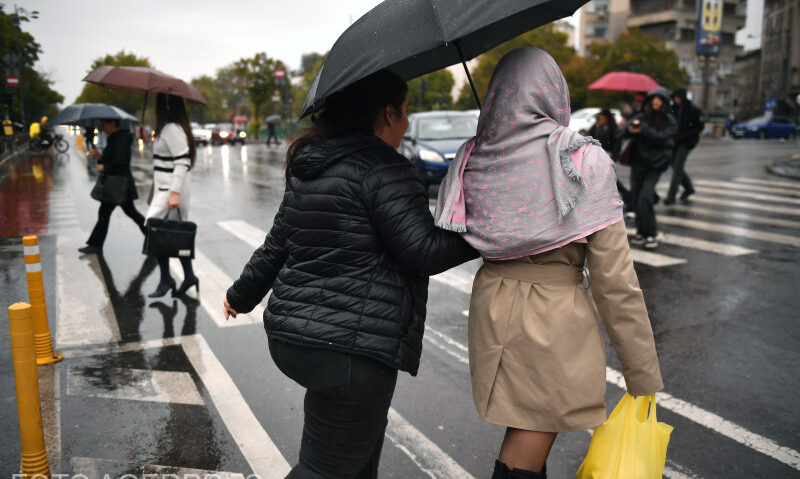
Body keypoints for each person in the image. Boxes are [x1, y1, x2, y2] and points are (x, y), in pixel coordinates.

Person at [223, 70, 477, 479]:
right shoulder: (386, 169)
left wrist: (239, 296)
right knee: (324, 469)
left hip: (297, 338)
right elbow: (422, 252)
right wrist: (485, 230)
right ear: (388, 112)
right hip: (350, 351)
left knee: (356, 456)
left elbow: (277, 245)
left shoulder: (315, 164)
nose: (407, 123)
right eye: (406, 111)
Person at [434, 47, 663, 478]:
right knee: (527, 444)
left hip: (492, 310)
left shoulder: (474, 158)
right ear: (552, 93)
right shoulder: (578, 159)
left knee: (523, 428)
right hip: (551, 318)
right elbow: (615, 281)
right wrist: (642, 374)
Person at [138, 93, 198, 298]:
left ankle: (167, 278)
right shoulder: (169, 128)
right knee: (171, 233)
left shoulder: (171, 128)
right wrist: (147, 140)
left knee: (155, 230)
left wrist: (174, 193)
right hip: (166, 188)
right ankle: (186, 276)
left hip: (171, 190)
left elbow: (182, 161)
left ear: (164, 104)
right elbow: (164, 155)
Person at [78, 119, 146, 255]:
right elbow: (113, 160)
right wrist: (100, 157)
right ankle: (152, 236)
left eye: (104, 125)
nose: (102, 127)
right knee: (128, 213)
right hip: (118, 184)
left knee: (109, 213)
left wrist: (104, 166)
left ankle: (95, 245)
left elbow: (120, 163)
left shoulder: (120, 140)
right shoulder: (115, 138)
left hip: (119, 184)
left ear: (112, 124)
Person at [621, 87, 677, 249]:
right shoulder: (642, 117)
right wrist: (630, 129)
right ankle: (641, 232)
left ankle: (651, 233)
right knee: (637, 198)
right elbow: (623, 133)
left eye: (659, 99)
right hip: (639, 162)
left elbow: (661, 138)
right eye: (653, 98)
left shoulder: (669, 120)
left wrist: (643, 129)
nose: (656, 102)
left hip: (656, 164)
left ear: (665, 102)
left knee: (646, 198)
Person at [665, 87, 703, 205]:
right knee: (675, 166)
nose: (675, 99)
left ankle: (671, 196)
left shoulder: (693, 110)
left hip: (686, 142)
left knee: (677, 168)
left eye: (677, 97)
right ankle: (689, 188)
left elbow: (699, 127)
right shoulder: (674, 109)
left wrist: (686, 135)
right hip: (675, 142)